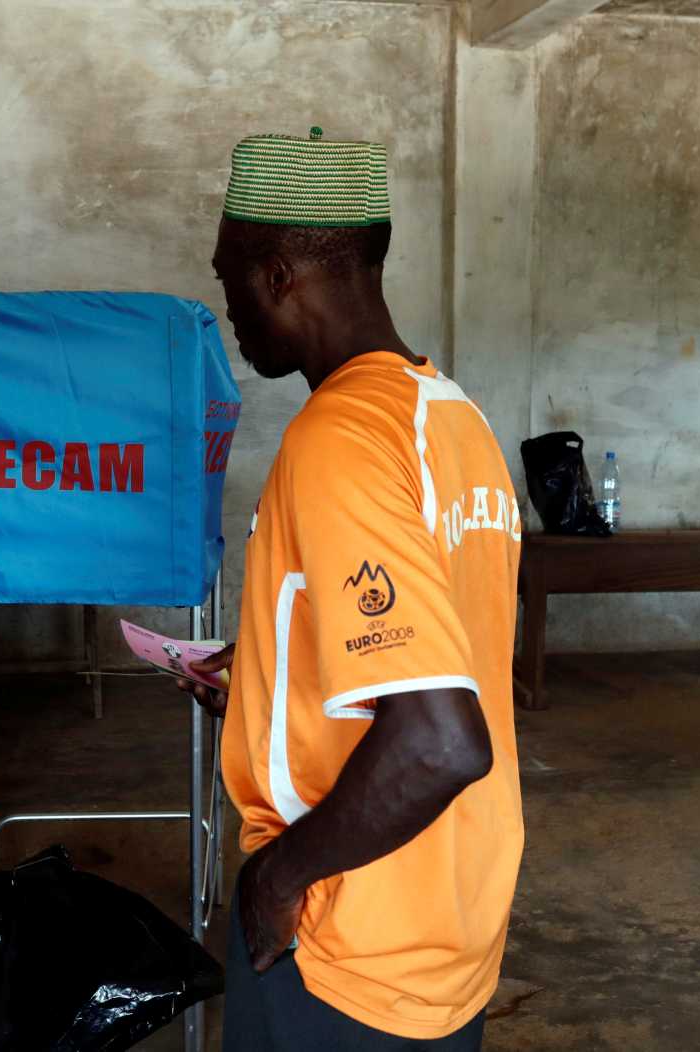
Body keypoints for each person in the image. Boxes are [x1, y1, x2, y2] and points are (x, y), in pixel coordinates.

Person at [178, 130, 524, 1050]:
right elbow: (432, 643)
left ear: (280, 273)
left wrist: (278, 878)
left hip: (349, 941)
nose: (229, 311)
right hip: (450, 908)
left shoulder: (335, 441)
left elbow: (442, 739)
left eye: (228, 279)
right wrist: (259, 688)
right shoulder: (453, 420)